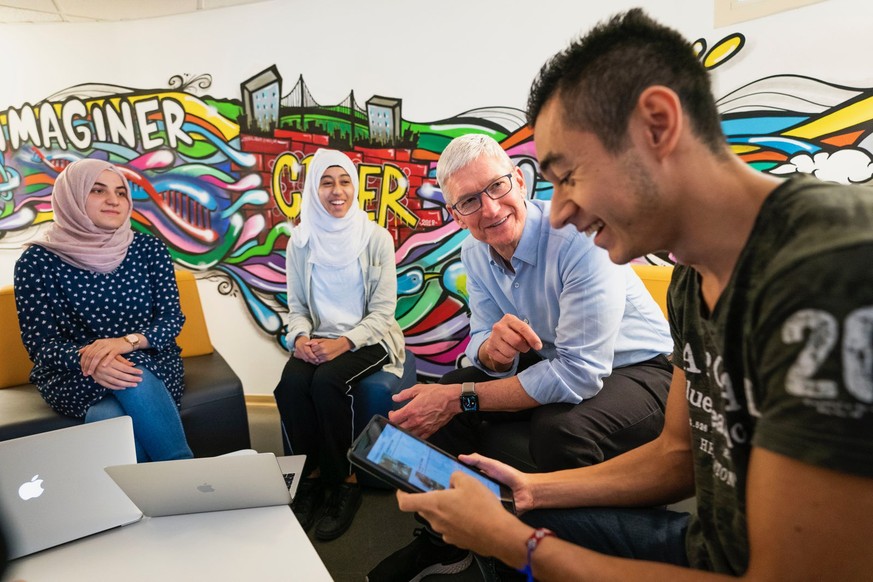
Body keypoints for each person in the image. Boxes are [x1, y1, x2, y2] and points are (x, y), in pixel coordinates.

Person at [392, 8, 873, 581]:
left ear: (657, 126)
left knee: (532, 493)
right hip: (704, 544)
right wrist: (535, 491)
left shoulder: (833, 265)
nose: (559, 211)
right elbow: (676, 455)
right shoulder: (692, 279)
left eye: (569, 175)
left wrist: (514, 542)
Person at [368, 133, 674, 580]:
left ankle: (566, 562)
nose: (490, 209)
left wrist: (463, 398)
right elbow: (480, 338)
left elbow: (579, 374)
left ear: (519, 180)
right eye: (469, 201)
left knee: (558, 430)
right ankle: (446, 542)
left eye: (497, 186)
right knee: (445, 391)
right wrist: (491, 354)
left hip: (643, 370)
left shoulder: (581, 239)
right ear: (455, 215)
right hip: (556, 357)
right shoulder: (475, 251)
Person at [14, 158, 193, 463]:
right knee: (131, 379)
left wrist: (126, 344)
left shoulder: (149, 249)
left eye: (121, 192)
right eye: (98, 190)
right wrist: (92, 360)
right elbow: (41, 345)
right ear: (71, 196)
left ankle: (147, 491)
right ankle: (186, 473)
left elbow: (171, 319)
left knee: (113, 406)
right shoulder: (36, 262)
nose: (114, 200)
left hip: (151, 360)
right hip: (72, 373)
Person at [273, 148, 406, 541]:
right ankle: (311, 478)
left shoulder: (376, 238)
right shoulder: (300, 242)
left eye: (345, 181)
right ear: (313, 190)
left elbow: (383, 313)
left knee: (327, 382)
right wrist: (300, 338)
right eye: (326, 182)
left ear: (356, 186)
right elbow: (297, 308)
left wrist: (343, 343)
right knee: (290, 385)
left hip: (370, 338)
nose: (337, 191)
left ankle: (346, 482)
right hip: (317, 338)